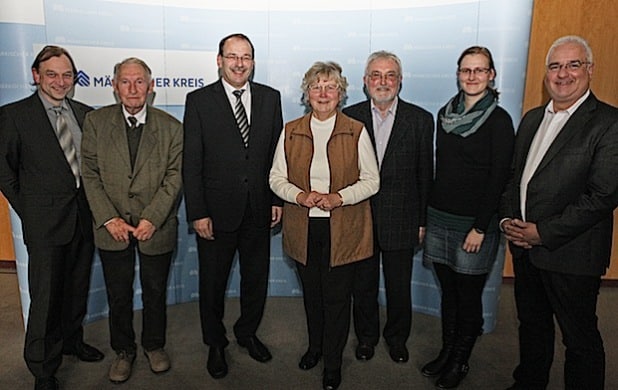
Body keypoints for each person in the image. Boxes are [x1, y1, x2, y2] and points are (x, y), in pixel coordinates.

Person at [501, 35, 618, 390]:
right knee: (532, 328)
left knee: (579, 338)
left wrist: (543, 232)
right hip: (525, 250)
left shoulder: (609, 123)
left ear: (590, 70)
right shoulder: (533, 119)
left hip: (572, 254)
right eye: (555, 66)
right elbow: (514, 178)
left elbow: (602, 196)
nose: (563, 74)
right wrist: (508, 219)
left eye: (573, 64)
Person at [270, 61, 380, 390]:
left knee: (335, 300)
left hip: (342, 229)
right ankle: (315, 348)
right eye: (316, 87)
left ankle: (333, 364)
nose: (323, 93)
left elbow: (371, 181)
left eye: (330, 87)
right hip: (305, 228)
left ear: (341, 94)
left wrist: (339, 198)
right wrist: (300, 195)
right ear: (306, 93)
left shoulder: (356, 130)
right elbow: (275, 178)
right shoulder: (291, 130)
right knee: (312, 297)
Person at [0, 45, 104, 390]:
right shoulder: (14, 115)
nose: (60, 81)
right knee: (45, 299)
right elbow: (5, 171)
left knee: (76, 290)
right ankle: (43, 368)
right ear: (35, 76)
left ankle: (72, 341)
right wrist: (28, 208)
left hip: (83, 219)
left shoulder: (86, 113)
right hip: (45, 225)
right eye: (52, 74)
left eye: (66, 75)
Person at [182, 33, 283, 379]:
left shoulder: (271, 99)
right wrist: (197, 211)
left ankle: (247, 333)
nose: (240, 63)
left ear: (253, 62)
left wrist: (275, 200)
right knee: (212, 283)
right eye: (233, 56)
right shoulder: (198, 101)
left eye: (246, 57)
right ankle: (216, 343)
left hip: (258, 209)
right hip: (215, 212)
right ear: (219, 60)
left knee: (256, 279)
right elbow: (191, 162)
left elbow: (276, 157)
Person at [81, 57, 183, 383]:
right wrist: (108, 218)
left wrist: (153, 217)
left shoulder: (171, 127)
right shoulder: (96, 123)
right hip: (113, 228)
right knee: (119, 293)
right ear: (114, 86)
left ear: (151, 87)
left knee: (154, 290)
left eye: (140, 81)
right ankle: (123, 350)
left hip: (157, 226)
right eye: (125, 81)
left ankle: (154, 345)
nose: (133, 88)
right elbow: (90, 174)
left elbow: (175, 176)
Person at [421, 46, 514, 389]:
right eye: (466, 70)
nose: (472, 76)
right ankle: (447, 352)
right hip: (440, 217)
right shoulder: (446, 113)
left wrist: (479, 226)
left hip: (474, 226)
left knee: (468, 295)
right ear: (458, 74)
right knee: (449, 292)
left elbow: (499, 177)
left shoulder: (500, 120)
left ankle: (460, 361)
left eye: (479, 70)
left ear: (491, 75)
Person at [343, 50, 434, 364]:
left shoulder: (421, 120)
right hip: (360, 218)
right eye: (376, 75)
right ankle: (366, 338)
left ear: (400, 81)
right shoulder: (349, 118)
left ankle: (397, 339)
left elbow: (426, 174)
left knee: (398, 287)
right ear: (365, 81)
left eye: (390, 75)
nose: (383, 82)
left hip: (402, 218)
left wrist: (422, 220)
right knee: (363, 286)